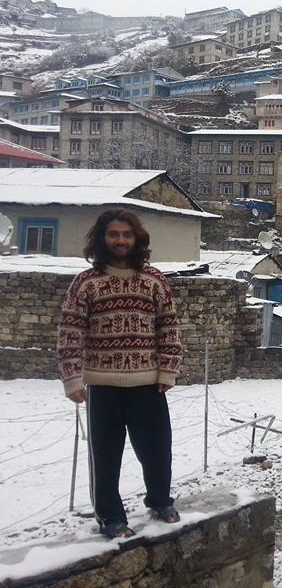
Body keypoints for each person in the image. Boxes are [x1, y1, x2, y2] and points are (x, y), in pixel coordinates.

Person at [57, 209, 183, 538]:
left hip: (148, 384)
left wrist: (168, 370)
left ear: (136, 239)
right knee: (106, 458)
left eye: (127, 235)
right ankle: (111, 518)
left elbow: (169, 327)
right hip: (103, 386)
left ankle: (160, 500)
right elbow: (70, 330)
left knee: (157, 451)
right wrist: (72, 378)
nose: (121, 240)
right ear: (102, 239)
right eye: (114, 234)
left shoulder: (154, 280)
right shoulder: (86, 283)